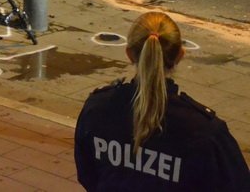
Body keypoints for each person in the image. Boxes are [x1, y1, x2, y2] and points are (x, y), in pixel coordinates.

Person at [74, 12, 250, 191]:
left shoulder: (97, 110)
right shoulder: (204, 131)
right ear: (180, 55)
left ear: (129, 54)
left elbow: (88, 175)